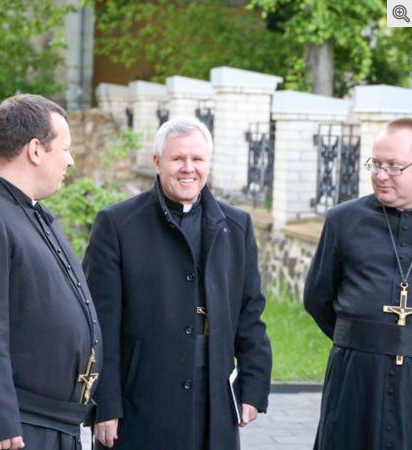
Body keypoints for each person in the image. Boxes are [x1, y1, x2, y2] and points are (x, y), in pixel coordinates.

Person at [83, 117, 272, 450]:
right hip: (141, 401)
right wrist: (105, 406)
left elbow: (249, 313)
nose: (189, 168)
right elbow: (99, 325)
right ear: (158, 162)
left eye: (197, 159)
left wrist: (253, 386)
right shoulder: (117, 225)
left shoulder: (236, 226)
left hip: (214, 400)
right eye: (178, 159)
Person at [0, 94, 102, 450]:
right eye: (66, 149)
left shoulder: (26, 209)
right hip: (17, 431)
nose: (70, 161)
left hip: (49, 426)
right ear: (36, 150)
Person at [304, 117, 412, 450]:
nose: (381, 175)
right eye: (376, 164)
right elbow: (317, 298)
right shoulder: (344, 220)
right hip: (355, 376)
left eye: (394, 166)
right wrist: (361, 340)